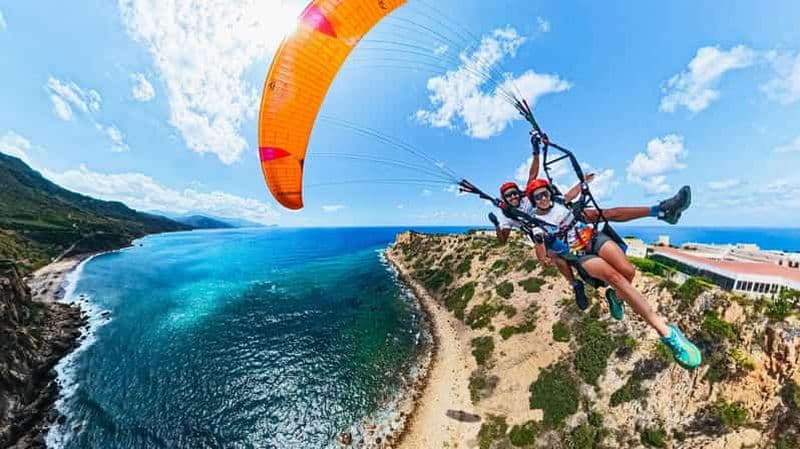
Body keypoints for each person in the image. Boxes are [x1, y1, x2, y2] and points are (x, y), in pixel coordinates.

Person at [490, 134, 692, 310]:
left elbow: (539, 179)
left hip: (562, 216)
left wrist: (537, 151)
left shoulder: (530, 196)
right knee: (557, 257)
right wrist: (498, 225)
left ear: (520, 193)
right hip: (547, 232)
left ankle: (661, 211)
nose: (513, 197)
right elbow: (503, 240)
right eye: (509, 196)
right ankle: (575, 285)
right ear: (504, 199)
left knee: (603, 213)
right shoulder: (508, 215)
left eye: (515, 193)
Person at [522, 178, 702, 369]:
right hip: (580, 253)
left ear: (550, 193)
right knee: (615, 278)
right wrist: (540, 243)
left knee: (628, 272)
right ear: (533, 201)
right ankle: (667, 334)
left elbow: (572, 193)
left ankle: (615, 297)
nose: (543, 199)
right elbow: (541, 255)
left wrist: (583, 182)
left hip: (593, 238)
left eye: (545, 194)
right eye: (537, 197)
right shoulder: (536, 224)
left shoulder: (560, 202)